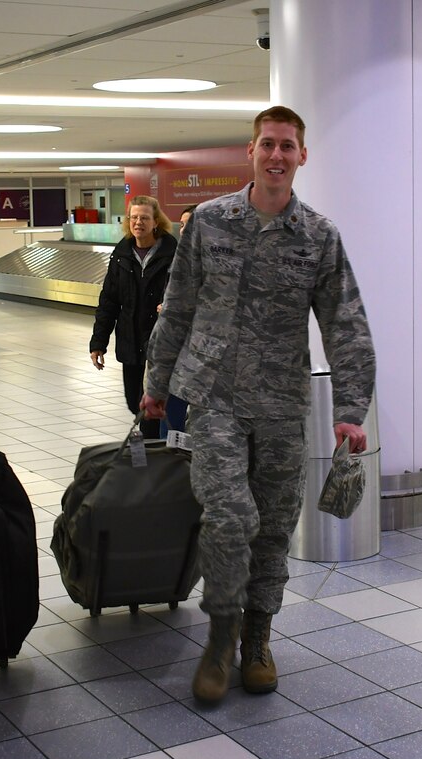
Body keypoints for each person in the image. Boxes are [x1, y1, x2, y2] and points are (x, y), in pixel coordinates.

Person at [141, 106, 376, 704]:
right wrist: (156, 382)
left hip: (280, 403)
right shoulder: (209, 221)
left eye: (287, 146)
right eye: (267, 144)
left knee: (272, 528)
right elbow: (179, 305)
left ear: (302, 156)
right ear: (251, 151)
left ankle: (258, 639)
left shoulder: (318, 235)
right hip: (214, 395)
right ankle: (221, 636)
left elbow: (345, 323)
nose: (276, 155)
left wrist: (351, 409)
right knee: (229, 517)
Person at [89, 195, 177, 439]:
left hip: (160, 341)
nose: (138, 222)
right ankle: (153, 443)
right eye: (134, 217)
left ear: (156, 221)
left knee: (150, 405)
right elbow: (109, 301)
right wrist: (98, 342)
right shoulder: (122, 254)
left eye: (145, 218)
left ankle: (152, 449)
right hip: (130, 339)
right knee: (133, 401)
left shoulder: (173, 254)